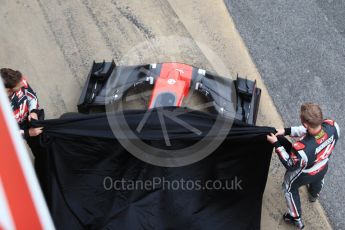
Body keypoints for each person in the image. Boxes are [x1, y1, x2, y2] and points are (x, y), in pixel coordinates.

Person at [267, 103, 340, 229]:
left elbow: (290, 164)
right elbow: (309, 131)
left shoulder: (302, 149)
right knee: (318, 180)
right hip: (323, 166)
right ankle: (313, 195)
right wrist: (285, 131)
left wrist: (276, 144)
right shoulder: (333, 126)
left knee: (289, 187)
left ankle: (295, 217)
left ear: (305, 124)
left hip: (306, 173)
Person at [1, 68, 46, 189]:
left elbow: (32, 97)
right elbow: (5, 134)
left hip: (29, 120)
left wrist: (33, 112)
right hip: (15, 132)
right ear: (7, 90)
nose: (22, 85)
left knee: (41, 147)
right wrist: (27, 133)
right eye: (18, 88)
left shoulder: (19, 82)